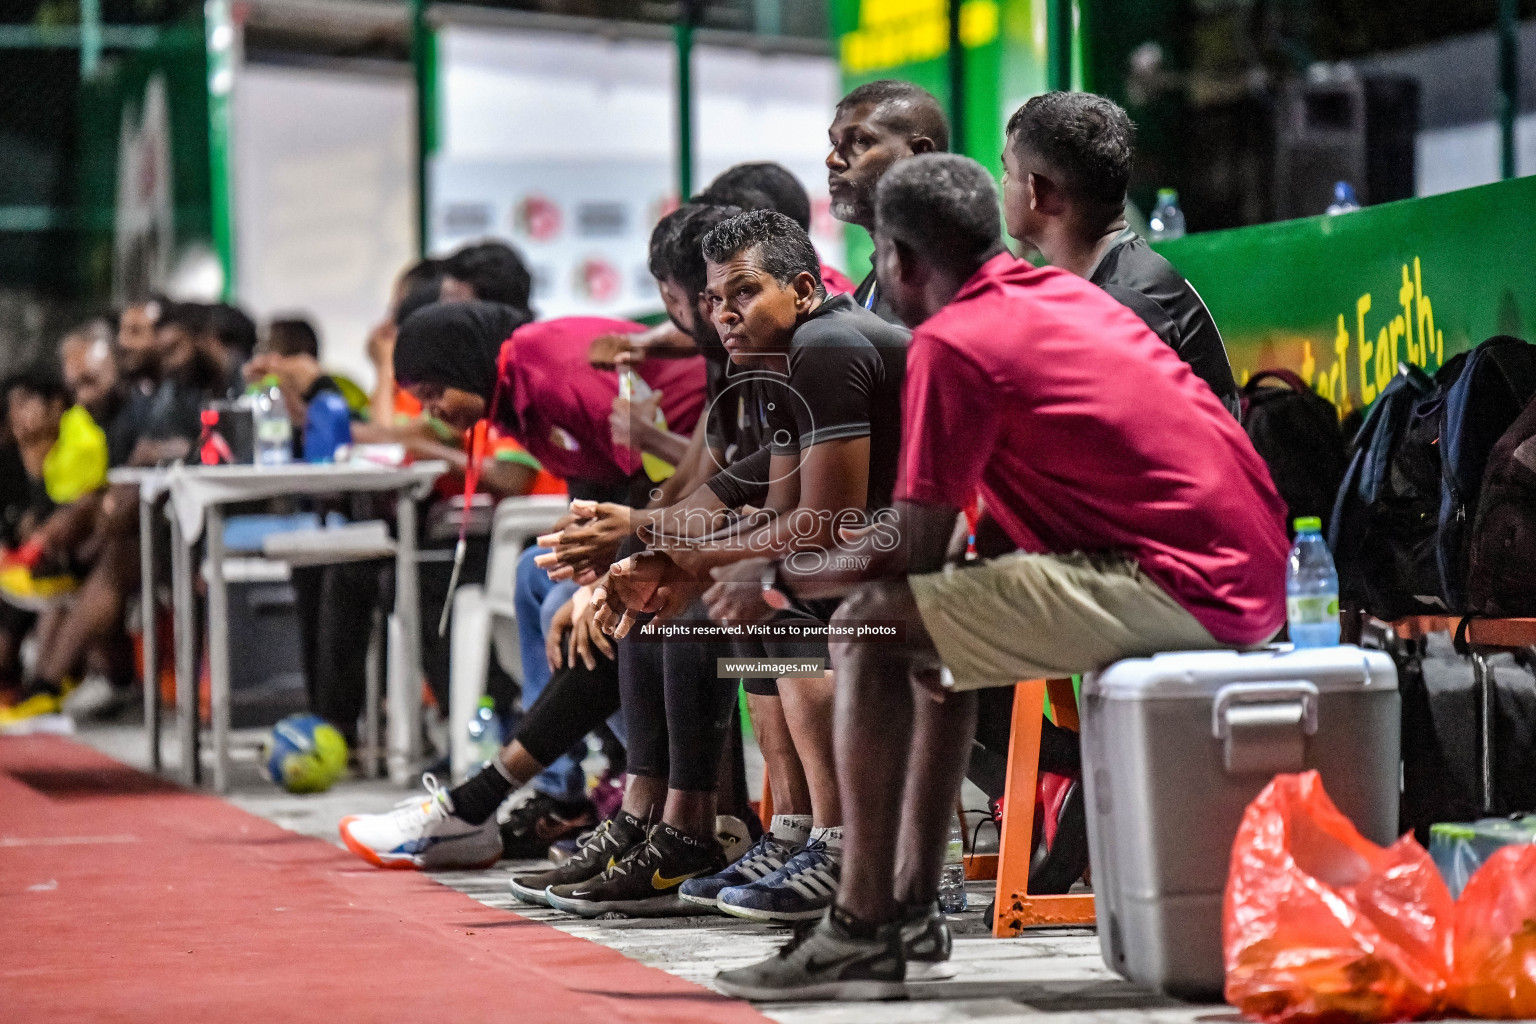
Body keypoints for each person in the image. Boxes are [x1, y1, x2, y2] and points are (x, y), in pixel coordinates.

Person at [714, 154, 1288, 1000]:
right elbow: (946, 553)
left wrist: (773, 572)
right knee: (931, 634)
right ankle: (907, 902)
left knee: (868, 629)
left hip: (1186, 582)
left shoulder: (953, 343)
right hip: (1251, 567)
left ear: (901, 259)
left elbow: (908, 546)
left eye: (878, 254)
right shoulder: (1057, 294)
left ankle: (862, 924)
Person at [583, 209, 910, 922]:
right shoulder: (787, 356)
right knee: (741, 601)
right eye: (715, 299)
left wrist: (680, 555)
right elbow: (775, 508)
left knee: (775, 596)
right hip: (891, 545)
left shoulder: (825, 348)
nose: (724, 315)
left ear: (799, 287)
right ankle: (796, 828)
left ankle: (839, 841)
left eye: (743, 293)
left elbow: (822, 526)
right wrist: (661, 546)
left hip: (944, 558)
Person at [1002, 91, 1240, 417]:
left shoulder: (1123, 305)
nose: (1002, 183)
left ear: (1037, 191)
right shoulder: (1118, 277)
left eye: (1008, 173)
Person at [825, 80, 948, 323]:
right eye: (835, 143)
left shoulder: (945, 274)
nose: (832, 159)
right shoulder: (886, 270)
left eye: (860, 140)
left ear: (921, 154)